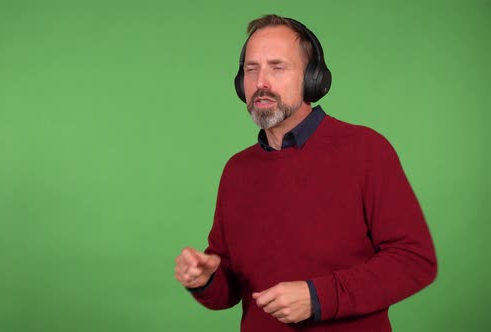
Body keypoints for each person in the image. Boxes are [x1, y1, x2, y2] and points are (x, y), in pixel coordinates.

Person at [174, 14, 437, 332]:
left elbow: (414, 260)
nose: (261, 83)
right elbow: (229, 289)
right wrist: (207, 279)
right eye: (251, 69)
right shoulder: (237, 171)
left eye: (277, 67)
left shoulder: (366, 150)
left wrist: (318, 297)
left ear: (313, 79)